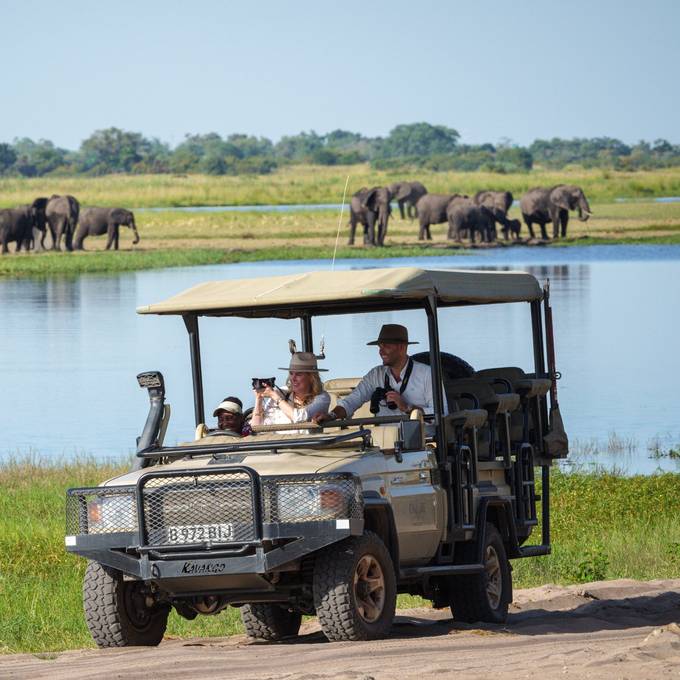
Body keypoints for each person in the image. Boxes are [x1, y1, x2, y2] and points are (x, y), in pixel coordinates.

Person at [313, 324, 446, 423]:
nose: (381, 352)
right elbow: (352, 401)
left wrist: (407, 407)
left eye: (386, 346)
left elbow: (441, 413)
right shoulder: (375, 375)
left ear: (402, 347)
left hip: (420, 445)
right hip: (384, 446)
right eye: (379, 347)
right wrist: (330, 416)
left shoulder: (427, 374)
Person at [251, 352, 330, 428]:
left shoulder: (322, 398)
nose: (293, 378)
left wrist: (275, 397)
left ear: (311, 377)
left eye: (299, 374)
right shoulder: (281, 392)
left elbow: (300, 418)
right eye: (291, 373)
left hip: (305, 441)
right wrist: (259, 399)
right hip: (276, 440)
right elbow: (257, 427)